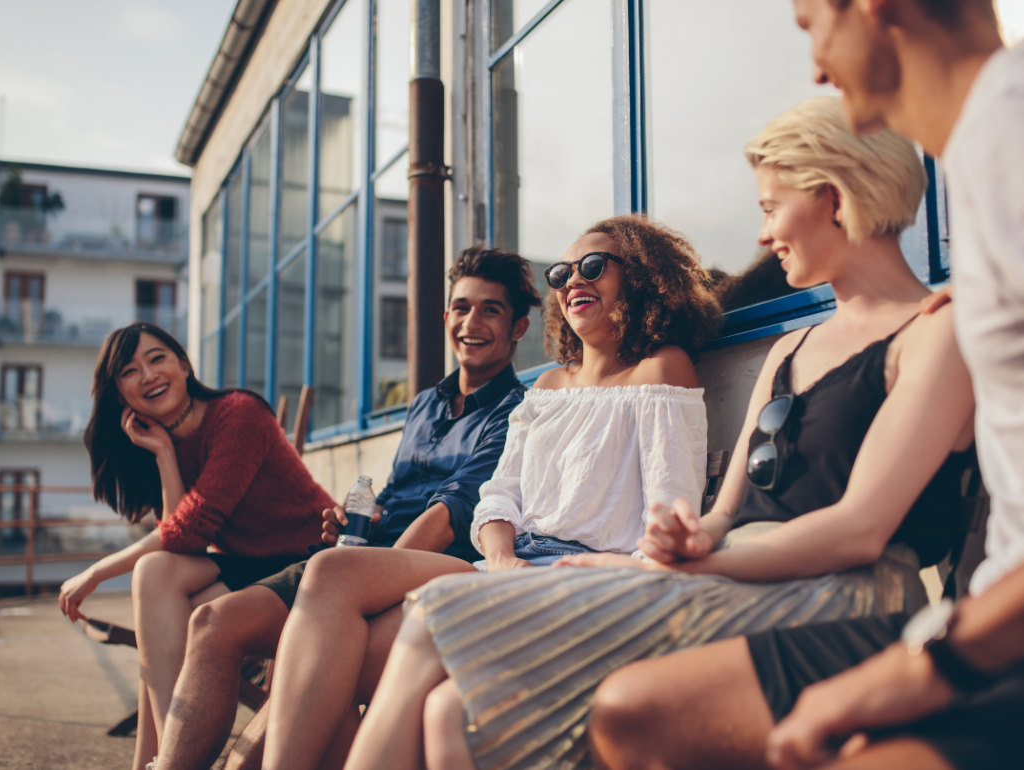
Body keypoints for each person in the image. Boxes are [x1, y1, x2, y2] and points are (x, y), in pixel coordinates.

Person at [340, 96, 978, 770]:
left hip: (833, 588)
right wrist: (686, 538)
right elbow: (725, 511)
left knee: (433, 626)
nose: (762, 236)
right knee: (448, 707)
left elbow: (859, 531)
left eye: (769, 208)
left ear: (835, 198)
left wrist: (682, 561)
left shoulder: (933, 333)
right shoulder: (793, 348)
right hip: (731, 573)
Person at [586, 3, 1024, 770]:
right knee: (628, 712)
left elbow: (862, 528)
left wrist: (928, 668)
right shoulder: (987, 167)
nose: (817, 66)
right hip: (985, 624)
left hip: (989, 645)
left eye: (809, 24)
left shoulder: (1012, 144)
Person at [222, 214, 721, 770]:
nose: (573, 280)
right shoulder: (550, 385)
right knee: (329, 576)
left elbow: (670, 517)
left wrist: (578, 571)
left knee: (335, 659)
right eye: (562, 273)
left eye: (593, 267)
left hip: (583, 579)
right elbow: (497, 498)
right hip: (504, 566)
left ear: (641, 278)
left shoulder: (661, 370)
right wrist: (504, 558)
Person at [152, 246, 540, 770]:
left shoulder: (515, 410)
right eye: (462, 307)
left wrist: (368, 576)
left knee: (305, 651)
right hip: (354, 558)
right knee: (212, 625)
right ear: (446, 316)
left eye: (490, 310)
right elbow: (401, 492)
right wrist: (360, 514)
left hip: (427, 567)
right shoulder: (425, 403)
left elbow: (449, 511)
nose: (472, 322)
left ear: (518, 328)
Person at [56, 322, 335, 770]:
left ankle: (167, 758)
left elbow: (189, 532)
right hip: (248, 563)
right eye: (130, 370)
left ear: (183, 365)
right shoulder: (162, 438)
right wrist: (165, 453)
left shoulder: (237, 414)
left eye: (157, 358)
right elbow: (178, 541)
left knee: (164, 616)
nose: (147, 375)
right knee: (154, 578)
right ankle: (170, 754)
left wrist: (95, 572)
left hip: (307, 559)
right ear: (119, 392)